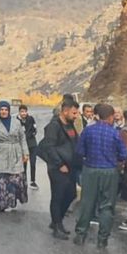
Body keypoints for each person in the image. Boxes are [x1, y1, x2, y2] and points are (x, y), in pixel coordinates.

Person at [72, 104, 127, 248]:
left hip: (90, 169)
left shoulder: (88, 131)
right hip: (109, 171)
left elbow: (79, 151)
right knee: (107, 206)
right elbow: (124, 154)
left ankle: (80, 234)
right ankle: (103, 238)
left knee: (87, 203)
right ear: (110, 117)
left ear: (97, 115)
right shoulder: (115, 133)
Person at [42, 98, 81, 240]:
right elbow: (49, 147)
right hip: (57, 168)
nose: (76, 116)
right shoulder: (54, 126)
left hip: (71, 167)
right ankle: (57, 225)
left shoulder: (70, 126)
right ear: (65, 111)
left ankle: (56, 220)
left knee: (70, 194)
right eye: (74, 113)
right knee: (57, 196)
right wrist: (59, 164)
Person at [0, 101, 29, 212]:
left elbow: (22, 138)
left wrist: (25, 153)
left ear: (9, 111)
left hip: (15, 154)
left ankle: (13, 200)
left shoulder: (16, 123)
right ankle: (2, 203)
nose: (3, 112)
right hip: (0, 154)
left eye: (5, 110)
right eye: (1, 110)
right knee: (1, 180)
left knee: (15, 179)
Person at [17, 105, 39, 189]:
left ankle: (33, 181)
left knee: (33, 163)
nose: (24, 113)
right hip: (22, 146)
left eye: (25, 111)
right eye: (22, 112)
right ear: (19, 112)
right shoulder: (16, 121)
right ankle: (23, 181)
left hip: (32, 144)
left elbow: (34, 130)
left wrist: (28, 135)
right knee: (24, 164)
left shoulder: (31, 119)